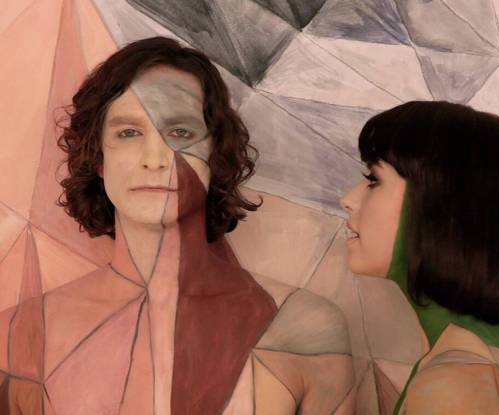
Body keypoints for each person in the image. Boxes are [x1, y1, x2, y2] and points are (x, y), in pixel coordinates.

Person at [0, 36, 354, 414]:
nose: (156, 158)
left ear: (214, 153)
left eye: (180, 132)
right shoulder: (21, 337)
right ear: (99, 157)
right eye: (128, 132)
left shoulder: (305, 328)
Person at [340, 101, 499, 415]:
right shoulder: (489, 350)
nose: (347, 199)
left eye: (374, 179)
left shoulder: (456, 385)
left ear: (441, 208)